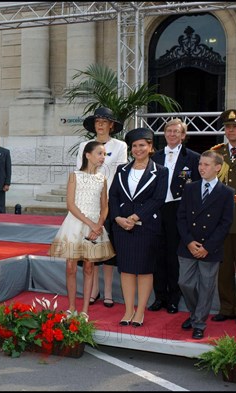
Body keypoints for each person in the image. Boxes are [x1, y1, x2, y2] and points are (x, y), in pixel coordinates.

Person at [109, 127, 168, 327]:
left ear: (150, 147)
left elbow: (158, 198)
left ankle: (140, 311)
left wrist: (134, 217)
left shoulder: (160, 171)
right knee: (125, 269)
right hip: (122, 227)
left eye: (142, 145)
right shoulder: (122, 169)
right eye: (134, 146)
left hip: (146, 226)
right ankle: (128, 310)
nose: (138, 149)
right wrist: (117, 217)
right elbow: (114, 195)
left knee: (144, 270)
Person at [49, 141, 115, 316]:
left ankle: (85, 310)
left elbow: (105, 206)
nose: (103, 158)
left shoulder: (103, 178)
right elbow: (70, 205)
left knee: (89, 268)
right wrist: (91, 223)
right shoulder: (74, 176)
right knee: (70, 267)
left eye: (104, 154)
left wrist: (99, 225)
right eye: (99, 153)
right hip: (74, 224)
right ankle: (71, 307)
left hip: (95, 228)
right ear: (88, 155)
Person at [177, 150, 234, 339]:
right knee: (185, 283)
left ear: (217, 167)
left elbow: (225, 223)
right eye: (200, 164)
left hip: (211, 248)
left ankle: (199, 323)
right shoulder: (190, 188)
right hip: (188, 245)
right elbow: (181, 217)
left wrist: (208, 247)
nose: (201, 168)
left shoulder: (226, 193)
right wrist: (189, 242)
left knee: (206, 287)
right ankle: (195, 315)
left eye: (206, 165)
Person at [76, 107, 127, 308]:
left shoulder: (120, 146)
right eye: (97, 121)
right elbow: (79, 171)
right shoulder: (84, 146)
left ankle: (107, 292)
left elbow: (120, 171)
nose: (100, 124)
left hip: (110, 201)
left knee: (108, 246)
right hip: (89, 201)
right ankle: (93, 290)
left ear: (111, 125)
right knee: (91, 246)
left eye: (105, 121)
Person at [149, 119, 200, 314]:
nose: (171, 134)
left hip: (178, 210)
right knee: (157, 255)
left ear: (183, 136)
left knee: (173, 256)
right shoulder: (156, 156)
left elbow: (195, 187)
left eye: (176, 132)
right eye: (168, 131)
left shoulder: (193, 158)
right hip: (157, 209)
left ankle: (173, 298)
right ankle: (159, 296)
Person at [210, 109, 236, 325]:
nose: (231, 130)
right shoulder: (217, 153)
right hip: (220, 219)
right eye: (228, 127)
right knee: (223, 268)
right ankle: (226, 307)